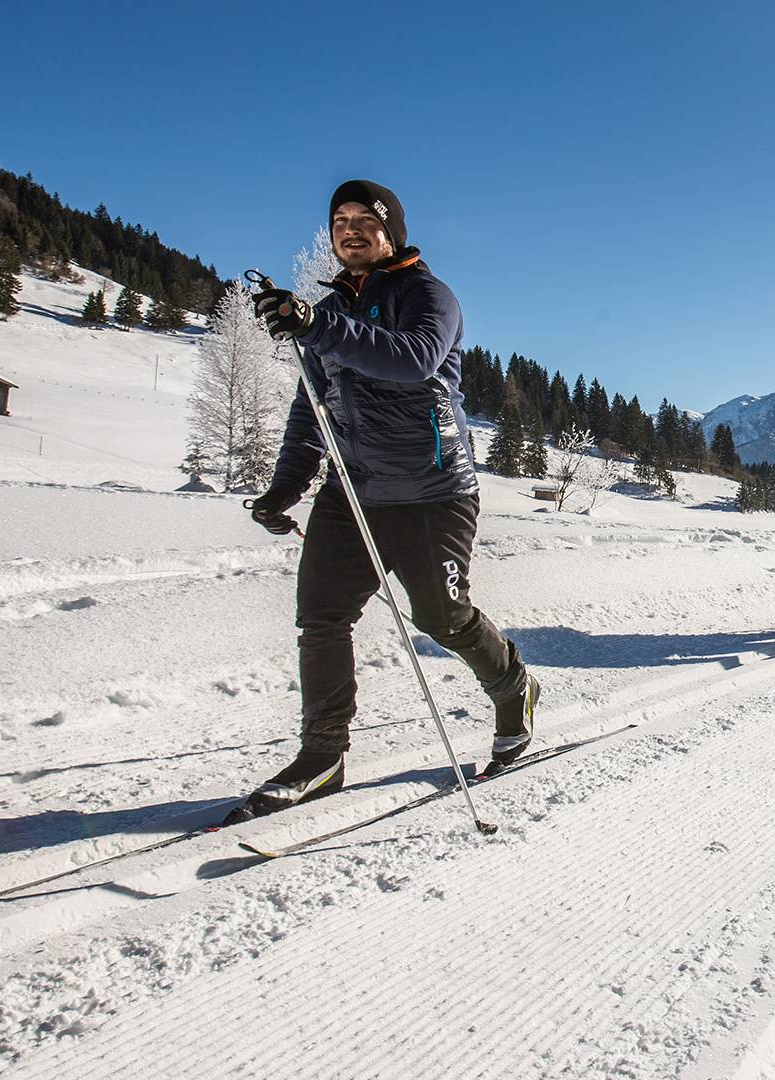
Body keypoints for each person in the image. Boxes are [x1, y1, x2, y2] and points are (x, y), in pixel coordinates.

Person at [229, 179, 538, 823]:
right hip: (354, 490)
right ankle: (322, 758)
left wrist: (318, 325)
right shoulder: (327, 312)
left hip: (433, 489)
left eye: (363, 220)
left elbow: (414, 360)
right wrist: (286, 487)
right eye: (338, 220)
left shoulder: (430, 296)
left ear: (390, 229)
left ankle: (514, 689)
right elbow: (311, 408)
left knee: (441, 617)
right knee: (321, 615)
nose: (349, 230)